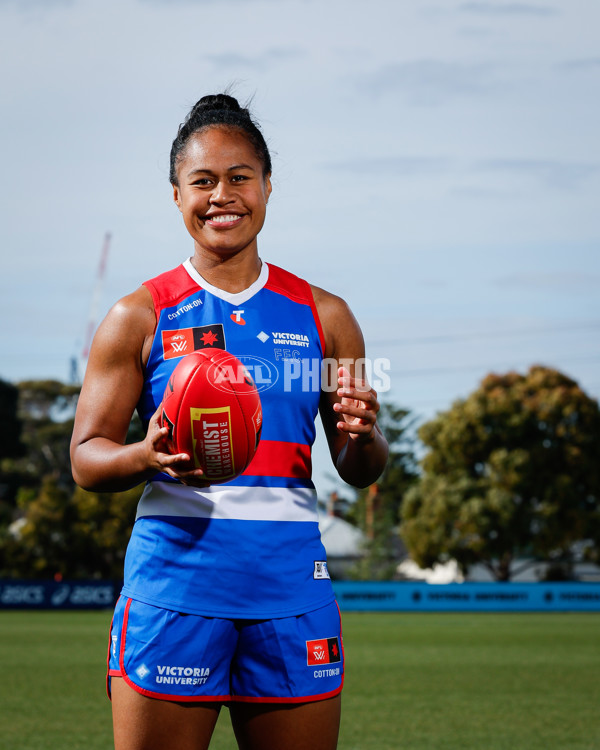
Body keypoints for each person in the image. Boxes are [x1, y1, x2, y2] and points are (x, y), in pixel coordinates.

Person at [70, 93, 388, 750]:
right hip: (175, 591)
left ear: (268, 185)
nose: (223, 195)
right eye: (202, 180)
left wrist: (365, 436)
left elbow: (359, 469)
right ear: (176, 194)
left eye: (240, 177)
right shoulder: (140, 314)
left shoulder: (325, 315)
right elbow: (86, 458)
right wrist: (145, 455)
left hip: (292, 592)